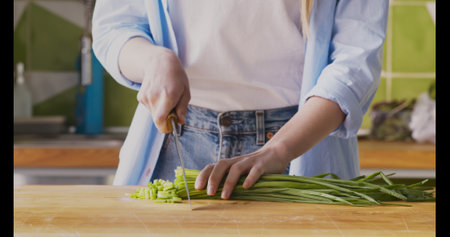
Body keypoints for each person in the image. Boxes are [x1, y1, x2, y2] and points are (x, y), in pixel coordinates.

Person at [92, 0, 389, 199]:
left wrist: (278, 151)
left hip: (297, 150)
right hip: (175, 143)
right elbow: (114, 27)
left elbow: (353, 66)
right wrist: (153, 60)